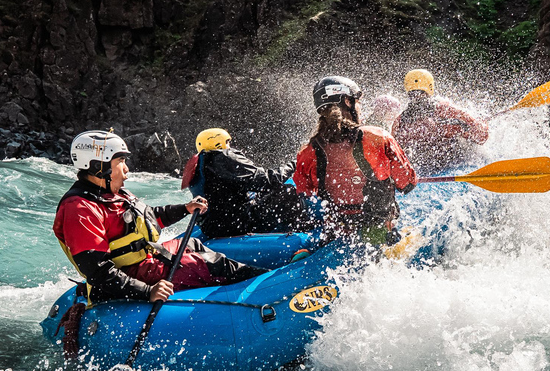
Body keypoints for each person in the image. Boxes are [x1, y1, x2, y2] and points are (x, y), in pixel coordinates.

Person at [54, 130, 266, 306]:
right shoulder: (80, 208)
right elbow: (98, 271)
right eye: (120, 161)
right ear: (98, 165)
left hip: (144, 260)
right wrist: (148, 291)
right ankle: (266, 285)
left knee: (191, 244)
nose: (127, 169)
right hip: (130, 276)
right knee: (213, 264)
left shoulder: (113, 194)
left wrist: (185, 208)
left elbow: (149, 217)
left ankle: (253, 277)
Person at [294, 76, 417, 245]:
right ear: (347, 101)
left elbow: (306, 197)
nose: (360, 107)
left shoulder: (307, 152)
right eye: (357, 102)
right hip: (379, 235)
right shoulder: (378, 137)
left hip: (336, 236)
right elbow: (407, 183)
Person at [181, 127, 308, 238]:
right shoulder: (224, 157)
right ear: (219, 143)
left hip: (211, 226)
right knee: (288, 191)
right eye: (227, 142)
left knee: (260, 195)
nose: (230, 146)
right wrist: (295, 163)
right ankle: (304, 229)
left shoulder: (200, 164)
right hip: (235, 225)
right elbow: (268, 181)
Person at [391, 69, 489, 173]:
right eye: (414, 94)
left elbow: (481, 135)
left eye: (419, 93)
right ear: (430, 88)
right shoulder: (443, 109)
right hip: (449, 166)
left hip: (435, 167)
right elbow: (482, 136)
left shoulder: (400, 122)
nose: (417, 97)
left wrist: (462, 128)